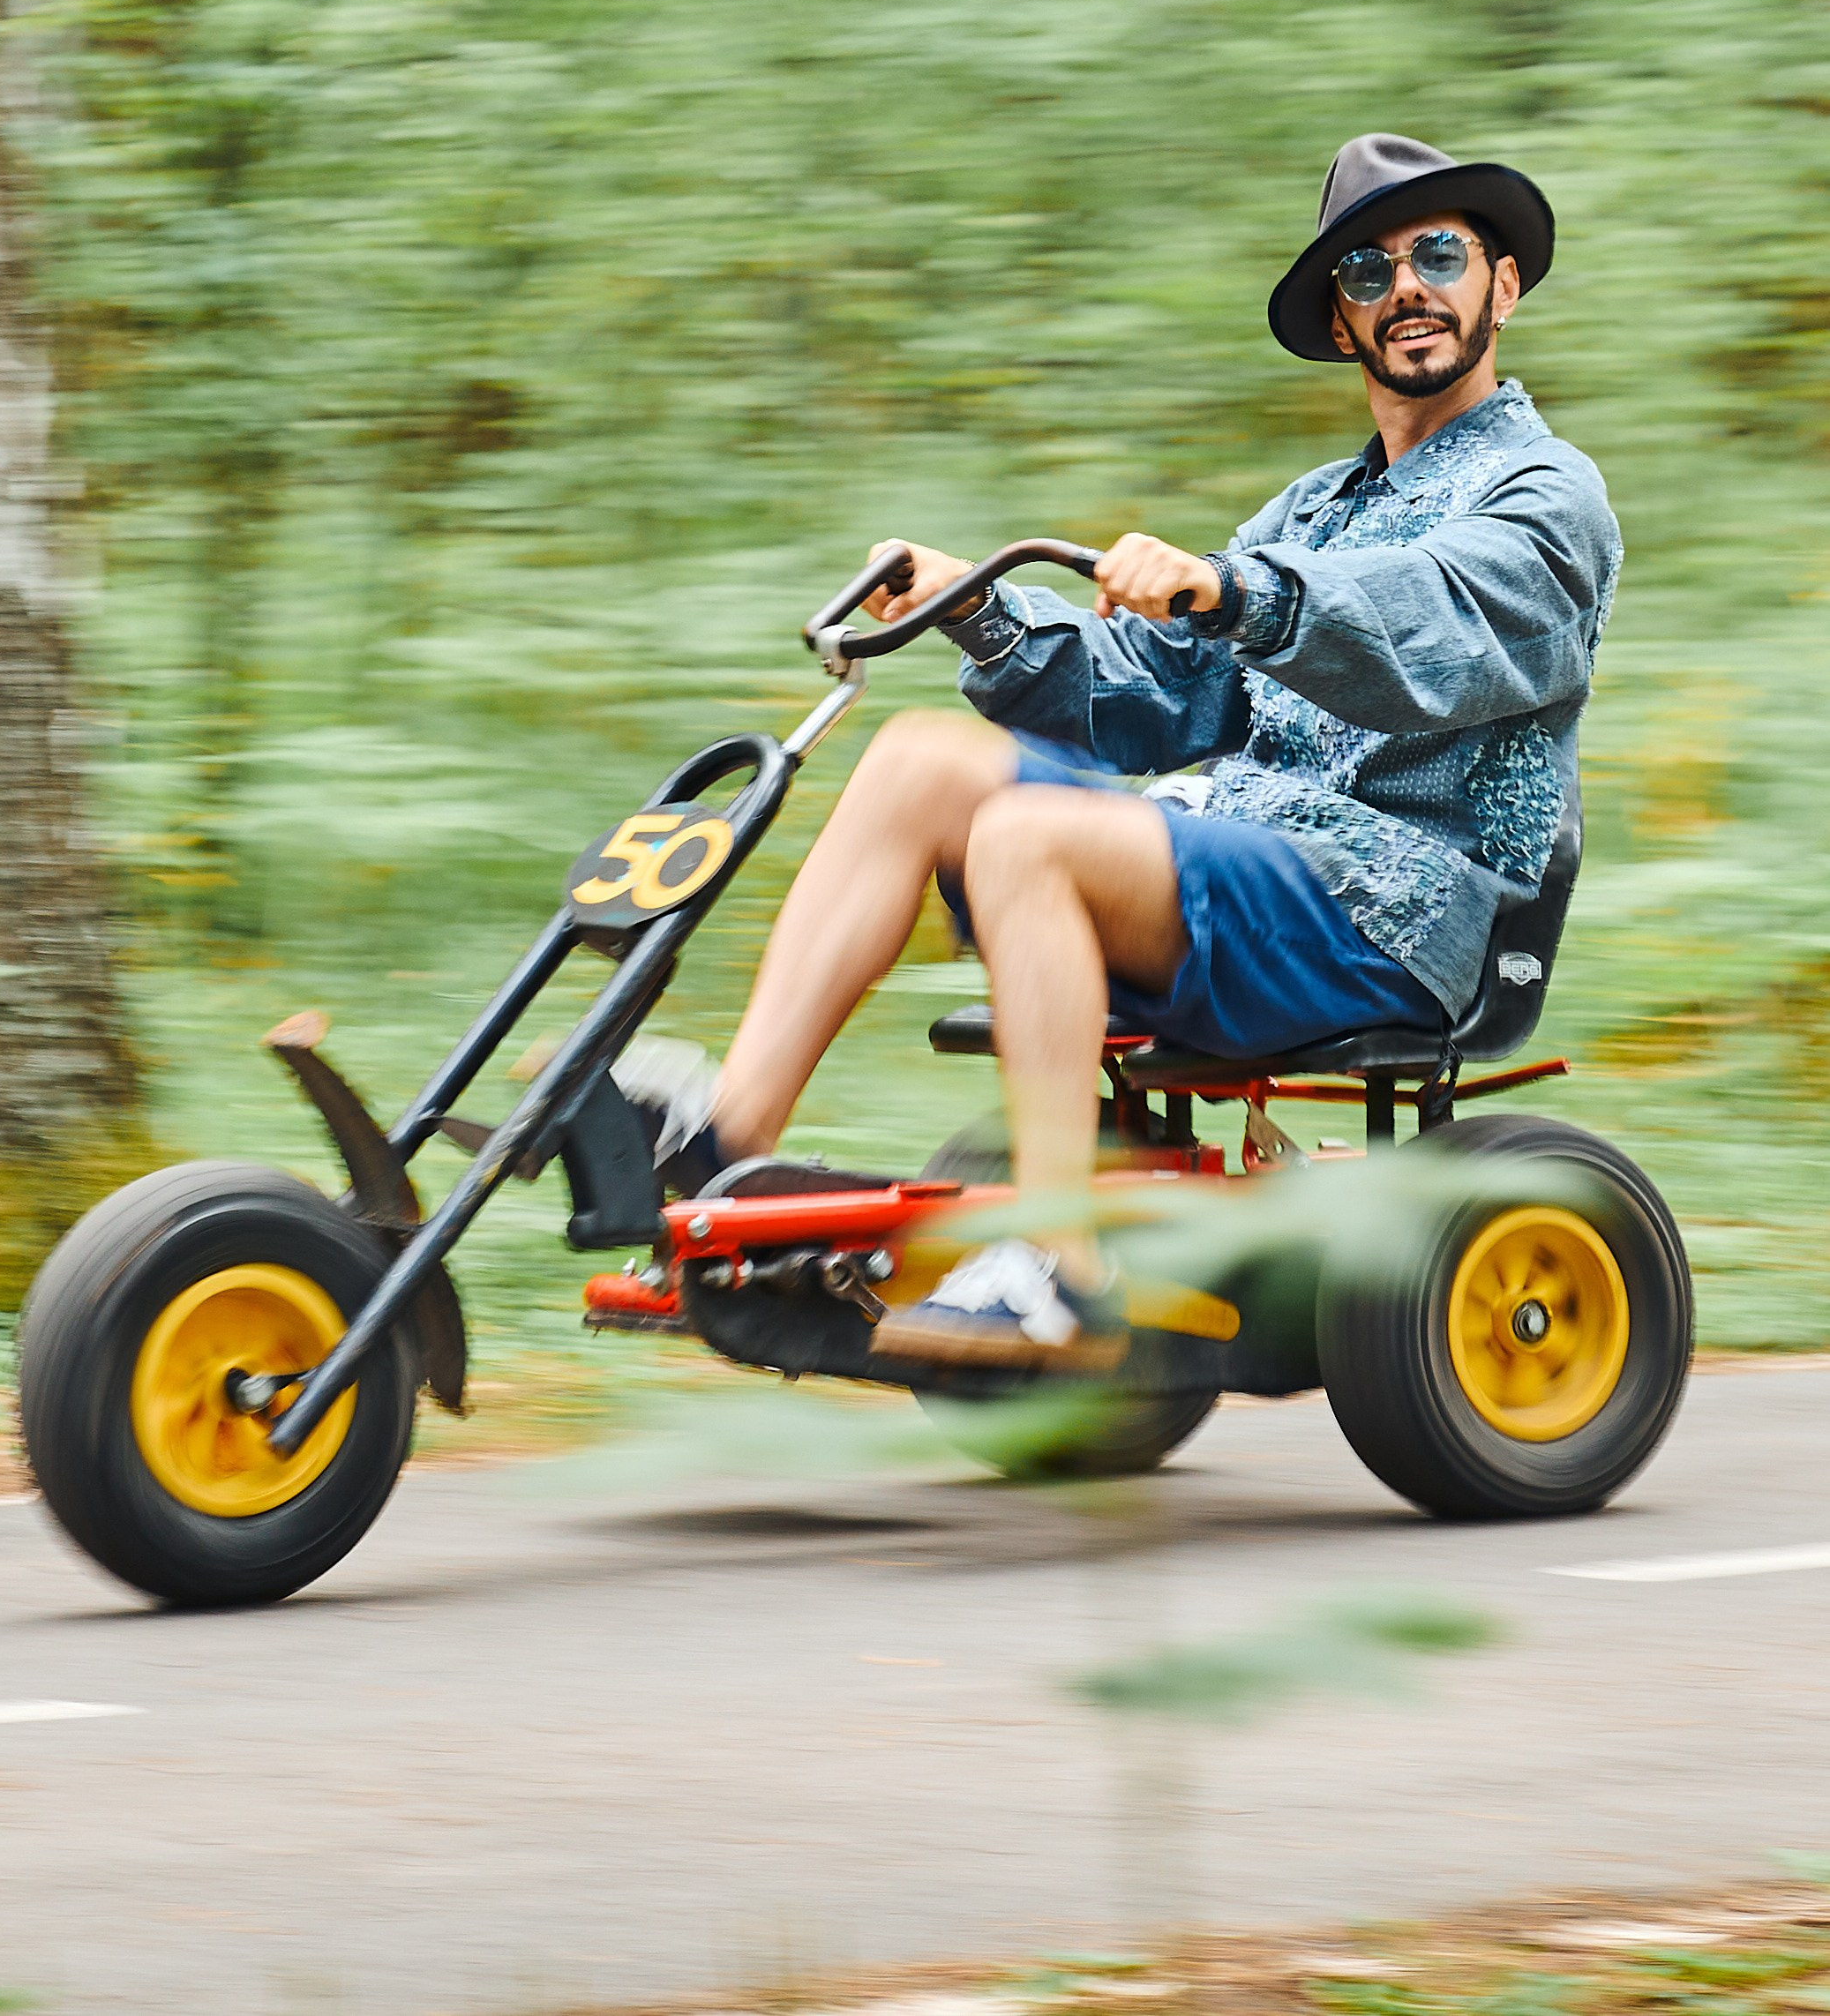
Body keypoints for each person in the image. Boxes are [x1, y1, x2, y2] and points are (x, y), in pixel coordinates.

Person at [617, 134, 1621, 1369]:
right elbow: (1152, 699)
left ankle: (1059, 1267)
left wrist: (1232, 591)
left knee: (1027, 835)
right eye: (1368, 270)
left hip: (1397, 908)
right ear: (1342, 320)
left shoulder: (1542, 494)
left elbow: (1427, 622)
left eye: (1438, 255)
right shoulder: (1308, 510)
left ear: (1499, 286)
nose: (1404, 286)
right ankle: (723, 1164)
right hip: (1245, 866)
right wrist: (982, 608)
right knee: (920, 759)